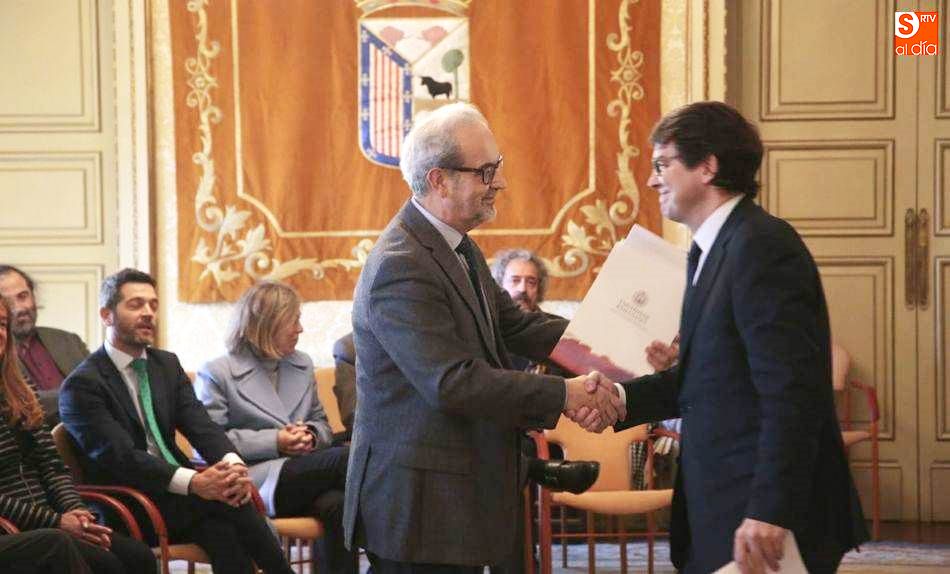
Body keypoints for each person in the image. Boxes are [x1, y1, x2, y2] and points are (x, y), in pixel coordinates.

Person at [570, 101, 867, 573]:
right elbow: (706, 379)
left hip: (763, 515)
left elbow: (793, 391)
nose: (652, 180)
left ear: (707, 166)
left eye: (663, 164)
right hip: (727, 502)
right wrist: (621, 398)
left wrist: (770, 509)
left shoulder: (761, 247)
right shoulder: (710, 251)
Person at [343, 102, 620, 573]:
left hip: (459, 498)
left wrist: (616, 348)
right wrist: (566, 393)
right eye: (486, 171)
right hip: (420, 511)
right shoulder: (400, 264)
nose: (501, 183)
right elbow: (451, 382)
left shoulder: (456, 245)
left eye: (498, 168)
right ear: (439, 180)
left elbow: (519, 325)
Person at [59, 268, 294, 574]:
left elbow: (201, 425)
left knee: (225, 531)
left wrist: (233, 464)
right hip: (131, 500)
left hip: (181, 497)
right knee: (232, 503)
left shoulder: (165, 364)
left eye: (153, 305)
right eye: (136, 305)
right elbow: (122, 458)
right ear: (106, 315)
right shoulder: (82, 384)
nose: (148, 313)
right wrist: (196, 482)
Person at [195, 280, 356, 574]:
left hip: (305, 474)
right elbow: (207, 442)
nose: (300, 329)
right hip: (256, 480)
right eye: (293, 320)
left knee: (339, 505)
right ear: (266, 324)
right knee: (348, 459)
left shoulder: (302, 364)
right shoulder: (218, 371)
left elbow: (320, 423)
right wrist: (276, 441)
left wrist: (309, 435)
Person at [0, 298, 155, 573]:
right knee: (95, 560)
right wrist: (54, 521)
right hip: (14, 526)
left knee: (137, 556)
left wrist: (77, 513)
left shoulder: (22, 391)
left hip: (48, 519)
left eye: (1, 324)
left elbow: (52, 466)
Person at [0, 264, 90, 426]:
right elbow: (16, 402)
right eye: (7, 301)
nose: (19, 308)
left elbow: (102, 388)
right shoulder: (1, 351)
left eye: (23, 296)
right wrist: (80, 395)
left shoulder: (68, 340)